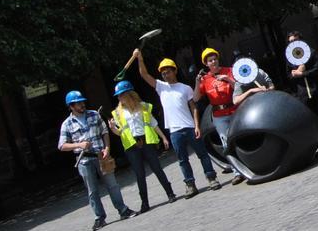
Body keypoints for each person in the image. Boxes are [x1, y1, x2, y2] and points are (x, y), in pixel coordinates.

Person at [135, 50, 222, 197]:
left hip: (190, 127)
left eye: (168, 72)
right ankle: (190, 185)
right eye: (163, 73)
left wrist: (196, 126)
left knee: (203, 154)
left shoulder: (185, 88)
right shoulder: (161, 87)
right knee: (182, 160)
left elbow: (194, 108)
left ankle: (212, 178)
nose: (165, 75)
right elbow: (144, 74)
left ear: (174, 71)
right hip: (174, 131)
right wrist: (140, 58)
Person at [58, 91, 136, 230]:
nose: (82, 104)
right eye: (78, 103)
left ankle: (123, 210)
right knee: (92, 191)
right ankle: (99, 218)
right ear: (71, 106)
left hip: (101, 157)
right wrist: (79, 145)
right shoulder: (67, 124)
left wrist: (107, 148)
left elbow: (104, 132)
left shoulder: (94, 114)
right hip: (84, 161)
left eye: (82, 102)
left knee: (113, 185)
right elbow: (62, 146)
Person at [107, 81, 176, 213]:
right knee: (139, 174)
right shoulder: (117, 112)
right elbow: (120, 132)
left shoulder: (143, 106)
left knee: (157, 168)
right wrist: (112, 129)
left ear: (129, 94)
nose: (119, 98)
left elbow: (153, 123)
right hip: (132, 145)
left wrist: (163, 137)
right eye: (118, 96)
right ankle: (145, 203)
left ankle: (170, 193)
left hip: (146, 141)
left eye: (121, 95)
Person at [192, 47, 245, 185]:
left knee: (242, 138)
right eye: (210, 60)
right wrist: (197, 82)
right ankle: (237, 172)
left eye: (215, 59)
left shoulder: (229, 71)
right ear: (206, 64)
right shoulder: (205, 79)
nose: (213, 62)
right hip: (219, 115)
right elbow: (196, 98)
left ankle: (250, 164)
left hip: (235, 110)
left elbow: (240, 88)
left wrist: (228, 79)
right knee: (226, 142)